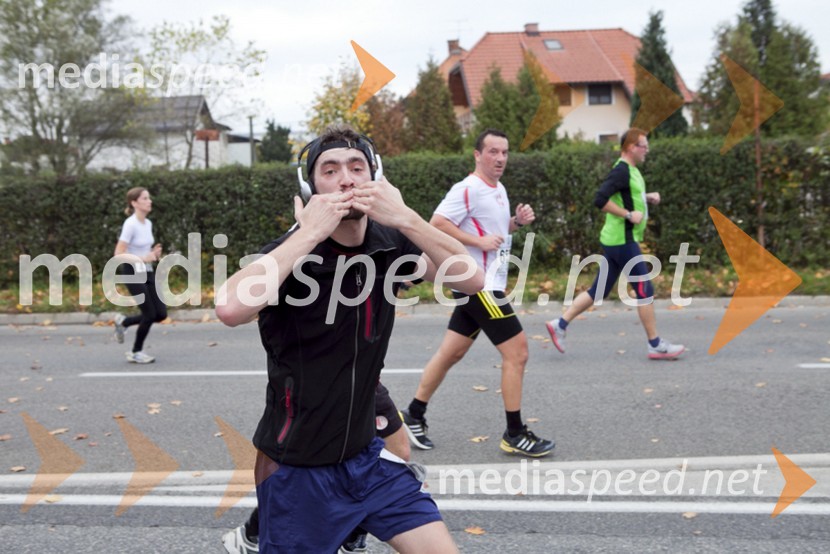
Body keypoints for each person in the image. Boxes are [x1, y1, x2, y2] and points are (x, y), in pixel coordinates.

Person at [215, 125, 483, 553]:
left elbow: (471, 279)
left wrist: (406, 218)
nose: (346, 179)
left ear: (376, 178)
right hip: (297, 471)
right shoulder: (293, 255)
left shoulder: (391, 242)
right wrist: (308, 234)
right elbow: (229, 307)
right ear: (311, 188)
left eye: (358, 168)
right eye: (330, 170)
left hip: (366, 460)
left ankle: (349, 531)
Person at [400, 129, 555, 458]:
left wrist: (515, 222)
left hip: (481, 286)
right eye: (493, 152)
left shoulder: (498, 189)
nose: (500, 158)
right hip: (481, 287)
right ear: (477, 154)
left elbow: (494, 230)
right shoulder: (467, 188)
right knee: (518, 353)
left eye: (505, 152)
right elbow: (436, 223)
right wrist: (477, 243)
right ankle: (514, 433)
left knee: (450, 353)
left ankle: (413, 415)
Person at [545, 128, 685, 360]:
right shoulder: (621, 171)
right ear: (631, 147)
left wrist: (646, 197)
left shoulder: (631, 171)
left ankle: (559, 324)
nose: (647, 150)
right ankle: (655, 344)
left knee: (598, 290)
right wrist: (629, 215)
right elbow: (600, 199)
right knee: (644, 290)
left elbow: (627, 195)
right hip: (622, 240)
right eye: (643, 145)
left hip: (616, 240)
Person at [222, 383, 412, 554]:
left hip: (360, 374)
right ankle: (254, 534)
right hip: (326, 374)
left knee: (393, 454)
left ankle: (352, 539)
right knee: (313, 464)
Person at [113, 187, 166, 364]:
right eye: (144, 198)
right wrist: (144, 257)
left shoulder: (148, 223)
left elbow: (142, 249)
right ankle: (136, 352)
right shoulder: (130, 224)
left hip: (147, 270)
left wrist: (153, 253)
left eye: (149, 198)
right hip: (132, 272)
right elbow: (118, 254)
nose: (149, 201)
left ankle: (125, 322)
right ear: (134, 203)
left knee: (161, 314)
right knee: (149, 314)